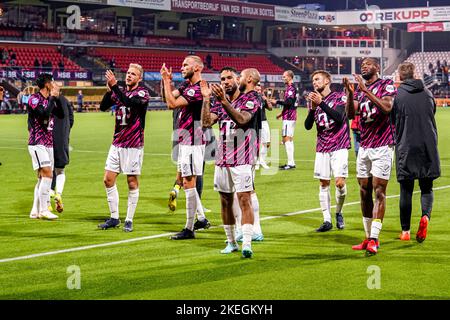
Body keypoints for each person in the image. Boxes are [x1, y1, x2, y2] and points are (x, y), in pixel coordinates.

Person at [201, 68, 262, 258]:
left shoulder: (251, 98)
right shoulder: (221, 102)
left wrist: (223, 102)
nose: (225, 81)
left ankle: (247, 243)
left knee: (244, 199)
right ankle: (231, 242)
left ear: (238, 80)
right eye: (222, 79)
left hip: (243, 157)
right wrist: (206, 99)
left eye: (229, 78)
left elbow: (243, 119)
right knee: (225, 201)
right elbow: (205, 122)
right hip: (222, 158)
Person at [343, 57, 397, 256]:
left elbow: (387, 108)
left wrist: (365, 91)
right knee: (364, 190)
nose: (363, 66)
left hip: (383, 145)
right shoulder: (357, 90)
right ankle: (367, 237)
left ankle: (375, 238)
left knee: (379, 191)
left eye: (368, 64)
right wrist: (350, 94)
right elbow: (350, 114)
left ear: (377, 67)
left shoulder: (386, 84)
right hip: (364, 145)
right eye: (361, 65)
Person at [392, 62, 440, 242]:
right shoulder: (427, 92)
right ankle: (425, 217)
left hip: (406, 145)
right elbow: (431, 113)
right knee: (427, 187)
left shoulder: (398, 96)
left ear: (400, 77)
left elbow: (393, 121)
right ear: (416, 74)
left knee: (406, 189)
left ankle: (405, 231)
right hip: (427, 145)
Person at [98, 64, 150, 232]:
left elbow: (129, 103)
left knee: (132, 182)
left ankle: (128, 219)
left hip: (133, 145)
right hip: (117, 143)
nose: (129, 76)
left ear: (139, 78)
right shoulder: (120, 92)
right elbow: (103, 106)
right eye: (128, 73)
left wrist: (114, 86)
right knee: (108, 179)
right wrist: (109, 90)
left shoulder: (142, 93)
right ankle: (114, 218)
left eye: (133, 74)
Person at [160, 55, 208, 240]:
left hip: (193, 140)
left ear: (197, 68)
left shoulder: (198, 89)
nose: (181, 67)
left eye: (185, 65)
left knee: (188, 182)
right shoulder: (186, 86)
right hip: (186, 140)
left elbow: (172, 104)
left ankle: (189, 229)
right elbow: (168, 99)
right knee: (188, 183)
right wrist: (168, 82)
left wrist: (165, 80)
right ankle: (201, 219)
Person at [305, 70, 350, 232]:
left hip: (339, 145)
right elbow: (308, 126)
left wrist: (321, 104)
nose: (315, 82)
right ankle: (327, 220)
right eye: (313, 80)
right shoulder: (315, 102)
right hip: (322, 147)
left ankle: (339, 212)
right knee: (324, 183)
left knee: (339, 183)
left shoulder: (339, 97)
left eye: (317, 79)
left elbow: (339, 117)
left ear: (327, 81)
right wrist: (312, 109)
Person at [27, 73, 63, 220]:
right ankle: (43, 210)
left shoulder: (50, 99)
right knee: (47, 174)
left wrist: (57, 97)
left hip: (49, 143)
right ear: (47, 84)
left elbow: (60, 114)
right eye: (52, 82)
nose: (54, 84)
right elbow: (43, 114)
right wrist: (53, 98)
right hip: (37, 143)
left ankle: (34, 210)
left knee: (42, 178)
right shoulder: (34, 99)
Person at [49, 87, 74, 214]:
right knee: (60, 171)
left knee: (46, 173)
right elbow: (71, 120)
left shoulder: (48, 101)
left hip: (47, 140)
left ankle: (47, 201)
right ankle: (58, 193)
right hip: (62, 140)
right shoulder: (66, 102)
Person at [271, 70, 297, 170]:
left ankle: (290, 164)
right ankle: (291, 162)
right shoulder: (292, 87)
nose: (283, 78)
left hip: (289, 117)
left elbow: (289, 102)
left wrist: (276, 101)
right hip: (291, 115)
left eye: (284, 76)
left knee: (286, 138)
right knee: (289, 138)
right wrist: (281, 114)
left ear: (290, 77)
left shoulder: (291, 88)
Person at [255, 83, 273, 170]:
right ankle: (256, 161)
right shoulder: (251, 99)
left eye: (259, 90)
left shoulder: (262, 99)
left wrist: (266, 99)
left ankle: (262, 161)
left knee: (266, 142)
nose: (258, 92)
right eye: (257, 90)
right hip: (255, 123)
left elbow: (270, 108)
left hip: (264, 122)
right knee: (255, 143)